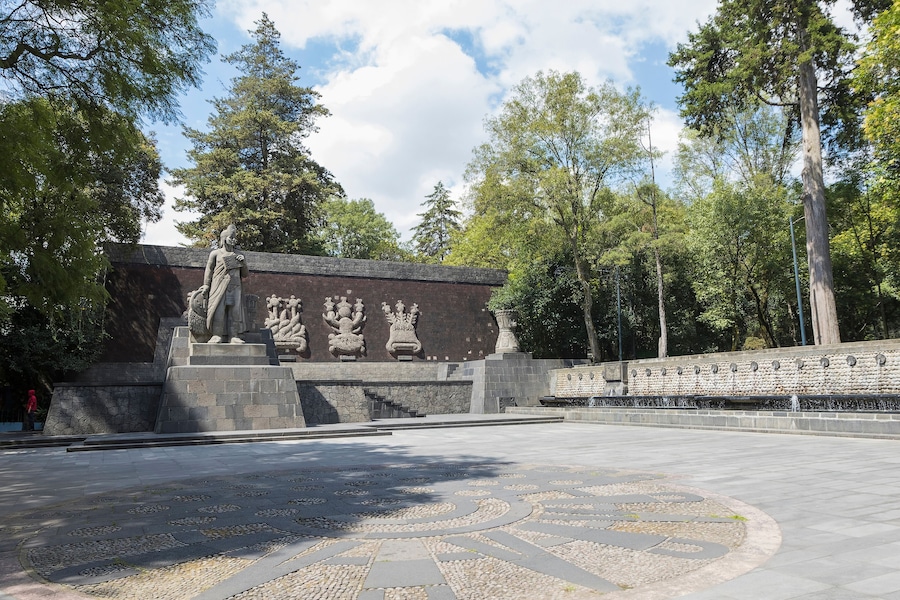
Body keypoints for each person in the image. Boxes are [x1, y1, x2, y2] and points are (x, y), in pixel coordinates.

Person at [200, 224, 249, 343]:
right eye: (231, 237)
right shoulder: (215, 254)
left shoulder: (239, 254)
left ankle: (234, 336)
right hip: (219, 285)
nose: (233, 240)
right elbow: (209, 269)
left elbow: (245, 274)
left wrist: (243, 263)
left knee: (234, 312)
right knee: (219, 311)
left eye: (234, 238)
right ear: (224, 238)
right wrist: (206, 284)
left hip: (235, 286)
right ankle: (217, 335)